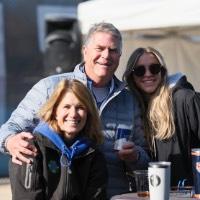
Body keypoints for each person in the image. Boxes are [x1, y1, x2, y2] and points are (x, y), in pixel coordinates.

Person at [0, 22, 149, 198]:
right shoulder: (50, 88)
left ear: (120, 55)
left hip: (115, 195)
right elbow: (10, 127)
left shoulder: (129, 100)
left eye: (113, 50)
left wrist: (135, 156)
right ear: (85, 51)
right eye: (99, 48)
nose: (106, 55)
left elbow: (145, 157)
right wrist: (10, 141)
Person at [9, 79, 108, 200]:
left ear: (88, 113)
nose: (73, 114)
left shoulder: (93, 154)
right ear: (55, 111)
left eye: (80, 107)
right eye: (66, 107)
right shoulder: (29, 149)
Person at [123, 47, 200, 188]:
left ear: (162, 71)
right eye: (140, 70)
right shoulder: (135, 110)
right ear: (132, 76)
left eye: (154, 68)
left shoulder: (185, 99)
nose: (147, 74)